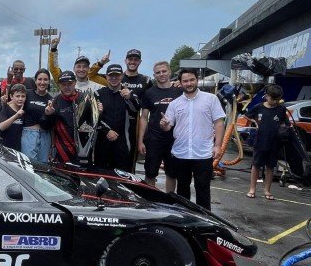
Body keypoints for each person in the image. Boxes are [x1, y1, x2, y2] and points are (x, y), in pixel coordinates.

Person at [160, 68, 225, 210]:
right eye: (185, 81)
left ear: (197, 80)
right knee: (182, 190)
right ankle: (184, 218)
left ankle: (205, 221)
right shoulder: (175, 104)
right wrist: (164, 125)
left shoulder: (211, 99)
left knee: (203, 189)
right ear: (180, 83)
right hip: (181, 153)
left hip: (202, 154)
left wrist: (218, 145)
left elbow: (219, 123)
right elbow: (167, 127)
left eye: (191, 80)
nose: (189, 83)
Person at [138, 61, 182, 190]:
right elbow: (144, 118)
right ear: (154, 75)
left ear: (169, 72)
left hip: (174, 140)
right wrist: (140, 141)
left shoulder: (179, 92)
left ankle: (169, 200)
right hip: (154, 139)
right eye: (158, 72)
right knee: (150, 174)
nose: (161, 74)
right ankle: (151, 200)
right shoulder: (149, 93)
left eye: (164, 71)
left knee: (172, 174)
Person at [244, 84, 288, 200]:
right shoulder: (259, 107)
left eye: (277, 100)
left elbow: (285, 122)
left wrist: (283, 129)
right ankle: (252, 188)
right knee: (256, 165)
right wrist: (254, 122)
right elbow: (247, 115)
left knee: (270, 167)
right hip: (260, 141)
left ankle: (267, 190)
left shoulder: (281, 109)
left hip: (274, 142)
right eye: (272, 99)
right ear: (266, 96)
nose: (274, 102)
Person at [95, 64, 138, 171]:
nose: (114, 78)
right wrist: (107, 130)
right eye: (111, 75)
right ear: (106, 76)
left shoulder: (128, 93)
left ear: (122, 76)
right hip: (102, 141)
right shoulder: (98, 94)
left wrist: (129, 98)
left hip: (122, 141)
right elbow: (93, 118)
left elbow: (136, 110)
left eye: (117, 75)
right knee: (101, 176)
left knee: (122, 176)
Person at [21, 69, 54, 163]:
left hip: (45, 136)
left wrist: (52, 144)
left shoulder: (51, 100)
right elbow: (14, 103)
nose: (42, 82)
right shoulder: (27, 94)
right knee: (29, 164)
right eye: (40, 79)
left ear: (49, 81)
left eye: (45, 79)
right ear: (35, 81)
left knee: (43, 166)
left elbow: (52, 125)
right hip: (28, 134)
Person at [49, 71, 81, 164]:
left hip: (82, 147)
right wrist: (48, 115)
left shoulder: (84, 98)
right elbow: (46, 125)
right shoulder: (55, 101)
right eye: (63, 84)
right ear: (59, 85)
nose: (67, 87)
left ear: (75, 82)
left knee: (79, 176)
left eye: (70, 84)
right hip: (62, 148)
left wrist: (99, 111)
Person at [0, 84, 27, 152]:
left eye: (23, 96)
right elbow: (1, 127)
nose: (20, 99)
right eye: (17, 96)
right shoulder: (6, 108)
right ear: (11, 96)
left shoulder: (25, 109)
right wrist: (16, 116)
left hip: (18, 147)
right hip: (5, 146)